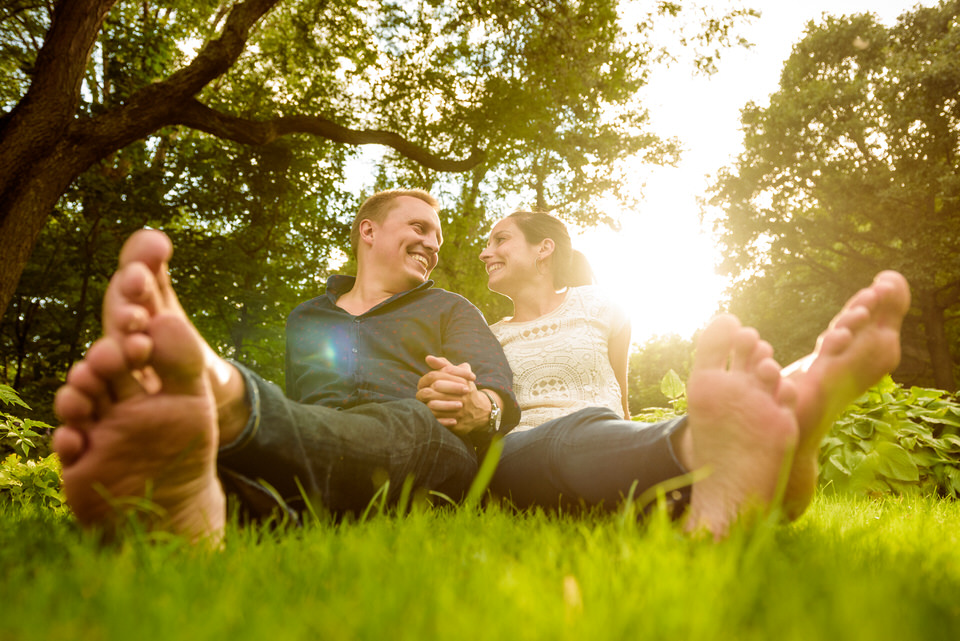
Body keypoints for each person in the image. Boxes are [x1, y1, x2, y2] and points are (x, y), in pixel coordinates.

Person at [51, 189, 520, 544]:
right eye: (419, 228)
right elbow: (300, 408)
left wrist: (480, 403)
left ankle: (231, 403)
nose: (432, 245)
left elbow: (497, 390)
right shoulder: (306, 318)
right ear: (369, 231)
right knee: (297, 453)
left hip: (429, 449)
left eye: (437, 238)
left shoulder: (450, 307)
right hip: (323, 447)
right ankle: (194, 506)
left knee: (410, 420)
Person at [416, 210, 910, 536]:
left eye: (499, 239)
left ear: (544, 249)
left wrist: (626, 432)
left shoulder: (605, 305)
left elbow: (618, 395)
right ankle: (745, 433)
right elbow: (485, 405)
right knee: (565, 438)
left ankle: (770, 456)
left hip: (603, 437)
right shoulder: (488, 333)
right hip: (519, 455)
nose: (484, 252)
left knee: (599, 439)